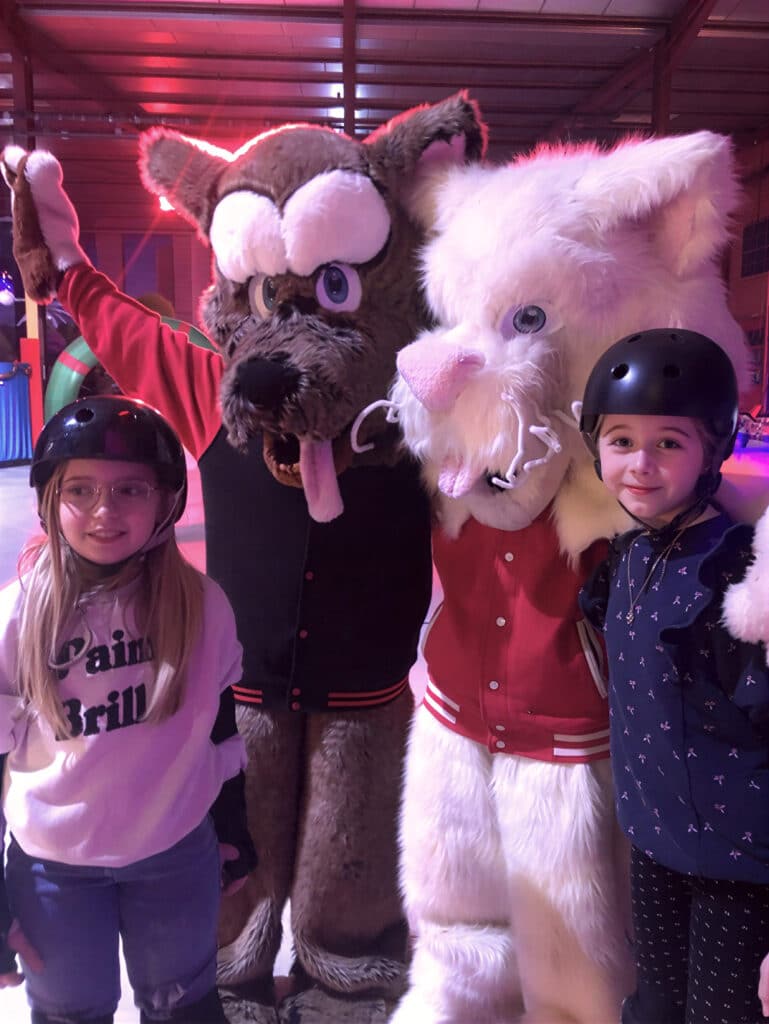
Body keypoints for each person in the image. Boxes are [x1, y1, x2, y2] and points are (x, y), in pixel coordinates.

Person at [0, 395, 257, 1024]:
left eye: (130, 490)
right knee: (70, 1012)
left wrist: (233, 824)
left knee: (184, 1006)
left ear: (166, 502)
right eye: (80, 490)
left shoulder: (202, 606)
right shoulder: (15, 617)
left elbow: (218, 725)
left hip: (175, 854)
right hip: (53, 870)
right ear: (49, 500)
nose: (104, 512)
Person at [578, 328, 769, 1024]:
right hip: (654, 840)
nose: (640, 464)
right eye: (621, 440)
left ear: (710, 449)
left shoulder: (733, 571)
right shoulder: (628, 553)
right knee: (654, 1004)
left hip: (739, 865)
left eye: (669, 442)